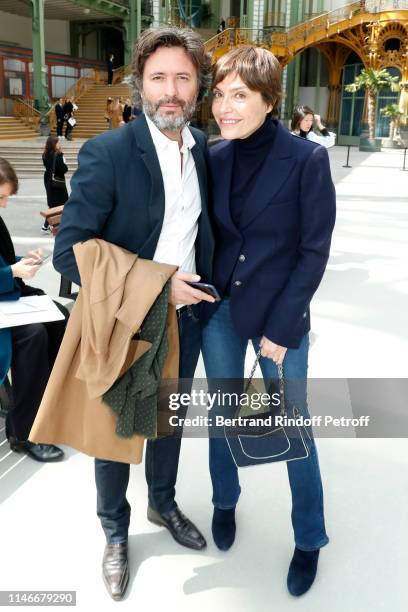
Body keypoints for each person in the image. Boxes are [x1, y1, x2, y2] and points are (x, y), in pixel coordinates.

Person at [53, 27, 214, 601]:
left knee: (168, 423)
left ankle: (163, 502)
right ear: (140, 84)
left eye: (182, 78)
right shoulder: (109, 151)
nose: (170, 90)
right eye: (158, 78)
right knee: (114, 434)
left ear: (198, 86)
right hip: (125, 317)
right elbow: (68, 251)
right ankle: (115, 532)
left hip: (189, 320)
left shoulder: (203, 152)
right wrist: (157, 285)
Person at [201, 46, 336, 597]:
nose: (224, 108)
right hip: (220, 311)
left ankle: (309, 537)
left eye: (239, 96)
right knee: (222, 412)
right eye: (218, 95)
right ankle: (224, 500)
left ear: (269, 99)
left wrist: (282, 329)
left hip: (280, 315)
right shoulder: (212, 156)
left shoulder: (305, 159)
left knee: (293, 423)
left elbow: (313, 250)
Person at [0, 158, 67, 462]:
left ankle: (45, 408)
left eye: (6, 197)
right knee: (33, 335)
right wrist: (12, 272)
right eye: (0, 197)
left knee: (59, 318)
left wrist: (21, 262)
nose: (3, 205)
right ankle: (22, 431)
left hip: (7, 298)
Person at [41, 135, 69, 232]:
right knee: (62, 203)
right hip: (57, 182)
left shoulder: (45, 155)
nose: (59, 144)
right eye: (58, 142)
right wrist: (62, 157)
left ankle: (47, 226)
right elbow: (63, 169)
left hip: (48, 180)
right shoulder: (57, 156)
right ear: (54, 144)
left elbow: (48, 166)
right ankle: (54, 226)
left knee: (53, 203)